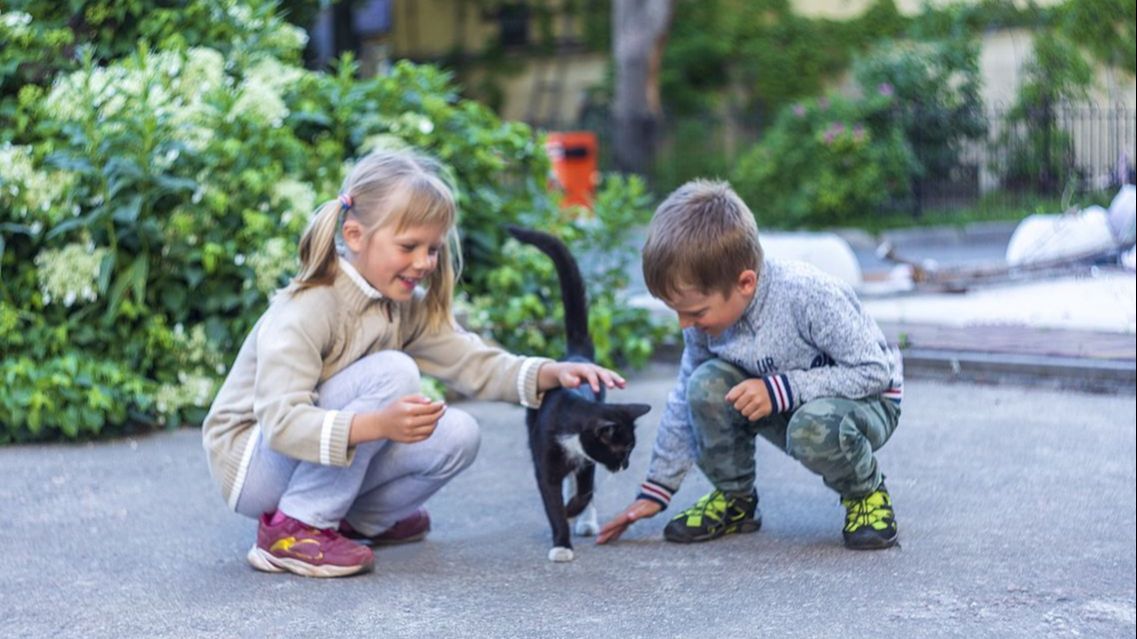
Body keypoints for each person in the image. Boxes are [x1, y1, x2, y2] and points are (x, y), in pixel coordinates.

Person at [202, 148, 625, 578]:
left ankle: (358, 521)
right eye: (409, 246)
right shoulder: (309, 308)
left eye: (433, 249)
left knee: (460, 434)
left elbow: (469, 361)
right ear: (354, 235)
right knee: (395, 371)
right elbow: (280, 421)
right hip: (253, 463)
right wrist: (377, 425)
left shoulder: (400, 304)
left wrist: (547, 372)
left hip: (301, 459)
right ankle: (296, 528)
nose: (424, 262)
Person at [597, 180, 903, 550]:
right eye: (677, 312)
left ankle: (865, 494)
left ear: (745, 283)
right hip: (787, 399)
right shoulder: (707, 321)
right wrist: (658, 488)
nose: (683, 324)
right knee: (705, 384)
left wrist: (780, 391)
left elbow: (873, 373)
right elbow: (683, 398)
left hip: (867, 401)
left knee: (813, 426)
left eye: (693, 312)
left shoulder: (808, 295)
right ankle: (735, 501)